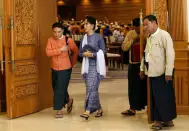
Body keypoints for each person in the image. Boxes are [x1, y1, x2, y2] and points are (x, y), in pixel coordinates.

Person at [140, 15, 176, 130]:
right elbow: (146, 54)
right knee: (157, 97)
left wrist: (168, 72)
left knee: (164, 98)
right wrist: (142, 69)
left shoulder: (164, 35)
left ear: (154, 22)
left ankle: (159, 121)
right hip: (152, 72)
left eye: (147, 24)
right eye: (144, 25)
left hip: (163, 73)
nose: (145, 27)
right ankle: (167, 120)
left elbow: (170, 54)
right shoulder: (149, 37)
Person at [46, 22, 79, 118]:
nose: (57, 34)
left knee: (59, 89)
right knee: (56, 87)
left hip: (65, 68)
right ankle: (68, 100)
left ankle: (59, 110)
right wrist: (60, 50)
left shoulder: (68, 40)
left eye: (59, 32)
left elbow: (76, 51)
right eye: (55, 32)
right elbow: (48, 53)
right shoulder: (50, 40)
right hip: (54, 67)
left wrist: (72, 64)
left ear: (63, 31)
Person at [79, 16, 106, 120]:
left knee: (92, 88)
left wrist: (93, 54)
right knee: (91, 88)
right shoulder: (83, 38)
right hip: (87, 66)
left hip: (97, 66)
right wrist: (84, 54)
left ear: (92, 25)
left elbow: (103, 51)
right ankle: (99, 109)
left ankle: (87, 110)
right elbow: (80, 53)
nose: (84, 26)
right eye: (84, 24)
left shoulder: (99, 37)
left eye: (86, 24)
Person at [121, 18, 147, 116]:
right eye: (134, 27)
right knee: (132, 86)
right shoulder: (130, 33)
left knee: (144, 86)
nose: (136, 29)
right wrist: (132, 41)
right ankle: (132, 108)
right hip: (133, 64)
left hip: (144, 64)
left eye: (137, 27)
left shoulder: (146, 32)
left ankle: (148, 107)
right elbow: (124, 47)